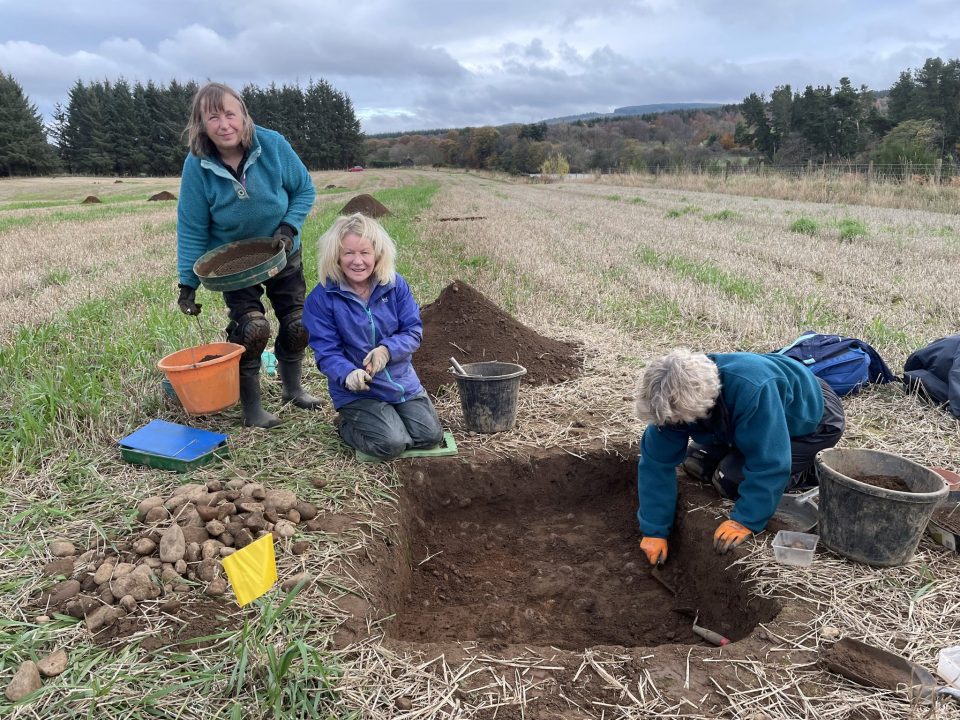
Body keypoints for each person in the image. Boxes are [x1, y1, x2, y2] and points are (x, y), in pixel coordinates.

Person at [175, 82, 321, 428]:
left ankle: (293, 389)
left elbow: (304, 189)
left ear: (244, 116)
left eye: (230, 114)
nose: (224, 124)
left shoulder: (272, 145)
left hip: (282, 252)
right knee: (253, 329)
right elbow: (192, 226)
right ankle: (252, 408)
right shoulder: (197, 165)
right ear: (201, 124)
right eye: (213, 117)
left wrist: (288, 227)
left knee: (299, 324)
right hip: (233, 264)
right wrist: (187, 283)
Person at [634, 348, 845, 563]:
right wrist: (654, 530)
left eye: (678, 421)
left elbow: (769, 464)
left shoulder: (751, 390)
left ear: (705, 405)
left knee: (731, 479)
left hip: (811, 421)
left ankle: (807, 470)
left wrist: (745, 520)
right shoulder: (673, 396)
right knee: (697, 461)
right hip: (746, 416)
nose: (673, 425)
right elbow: (656, 463)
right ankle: (743, 443)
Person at [302, 212, 444, 460]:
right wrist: (348, 374)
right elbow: (327, 352)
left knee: (429, 437)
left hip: (401, 383)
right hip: (359, 391)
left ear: (377, 254)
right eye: (349, 253)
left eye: (365, 252)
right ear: (336, 256)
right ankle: (346, 424)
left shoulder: (395, 285)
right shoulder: (321, 298)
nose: (358, 261)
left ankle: (389, 416)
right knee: (391, 444)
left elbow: (413, 331)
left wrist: (387, 350)